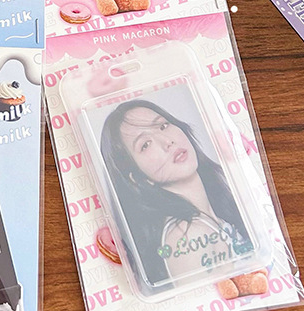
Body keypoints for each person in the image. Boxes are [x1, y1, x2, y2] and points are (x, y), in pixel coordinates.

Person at [99, 99, 253, 287]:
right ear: (137, 178)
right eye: (146, 144)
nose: (168, 142)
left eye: (163, 126)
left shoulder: (214, 215)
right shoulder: (187, 236)